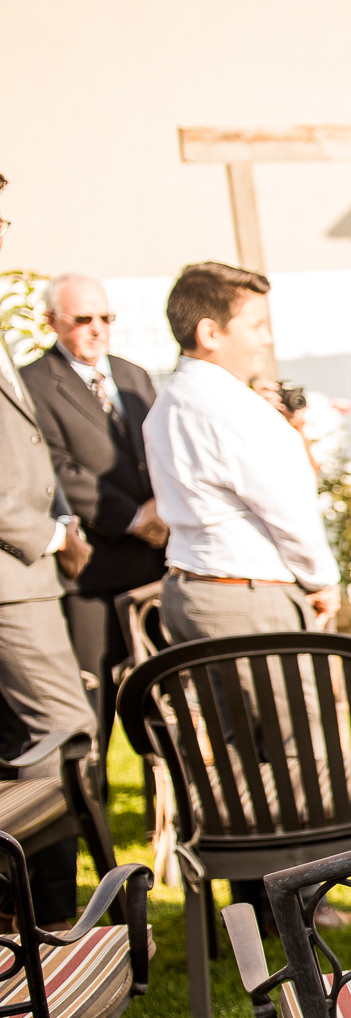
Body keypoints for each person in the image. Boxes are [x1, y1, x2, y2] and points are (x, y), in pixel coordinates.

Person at [0, 173, 99, 927]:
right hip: (12, 578)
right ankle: (56, 923)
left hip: (29, 572)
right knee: (66, 734)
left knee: (23, 743)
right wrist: (50, 535)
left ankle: (21, 918)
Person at [146, 261, 339, 640]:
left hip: (185, 590)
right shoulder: (241, 412)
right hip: (248, 601)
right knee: (291, 702)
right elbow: (291, 514)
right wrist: (322, 582)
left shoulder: (166, 401)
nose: (266, 339)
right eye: (255, 326)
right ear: (210, 333)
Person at [22, 273, 166, 745]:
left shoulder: (132, 375)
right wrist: (134, 518)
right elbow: (55, 468)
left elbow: (159, 448)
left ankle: (174, 811)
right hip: (93, 571)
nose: (97, 329)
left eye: (105, 317)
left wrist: (162, 509)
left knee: (169, 700)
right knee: (94, 704)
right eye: (83, 319)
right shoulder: (34, 385)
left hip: (156, 563)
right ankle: (93, 811)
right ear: (51, 322)